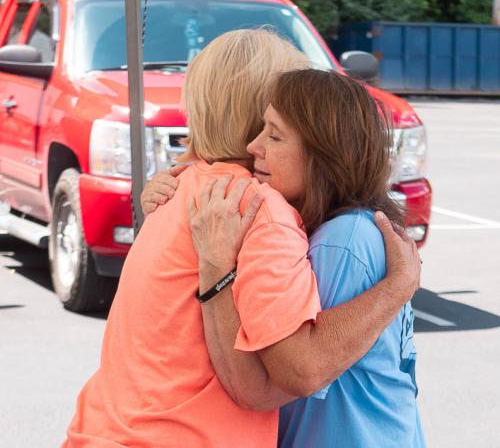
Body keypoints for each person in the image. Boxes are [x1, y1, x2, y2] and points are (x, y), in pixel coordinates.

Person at [64, 29, 420, 448]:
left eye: (275, 131)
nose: (259, 142)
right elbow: (287, 378)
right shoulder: (258, 210)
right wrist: (399, 284)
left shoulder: (179, 191)